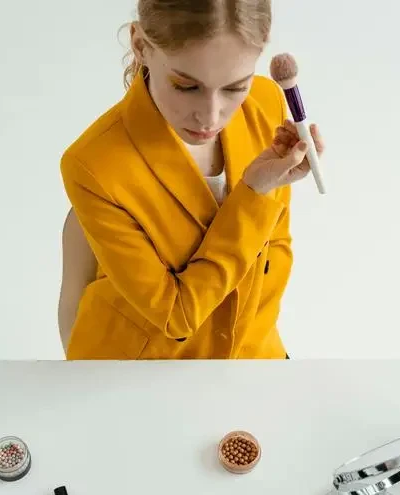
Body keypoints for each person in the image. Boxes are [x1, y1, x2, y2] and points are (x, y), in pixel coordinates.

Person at [58, 0, 324, 360]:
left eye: (235, 87)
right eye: (186, 86)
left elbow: (270, 260)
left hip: (254, 362)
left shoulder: (267, 104)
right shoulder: (94, 164)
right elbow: (176, 315)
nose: (210, 116)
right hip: (140, 372)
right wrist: (253, 194)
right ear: (140, 45)